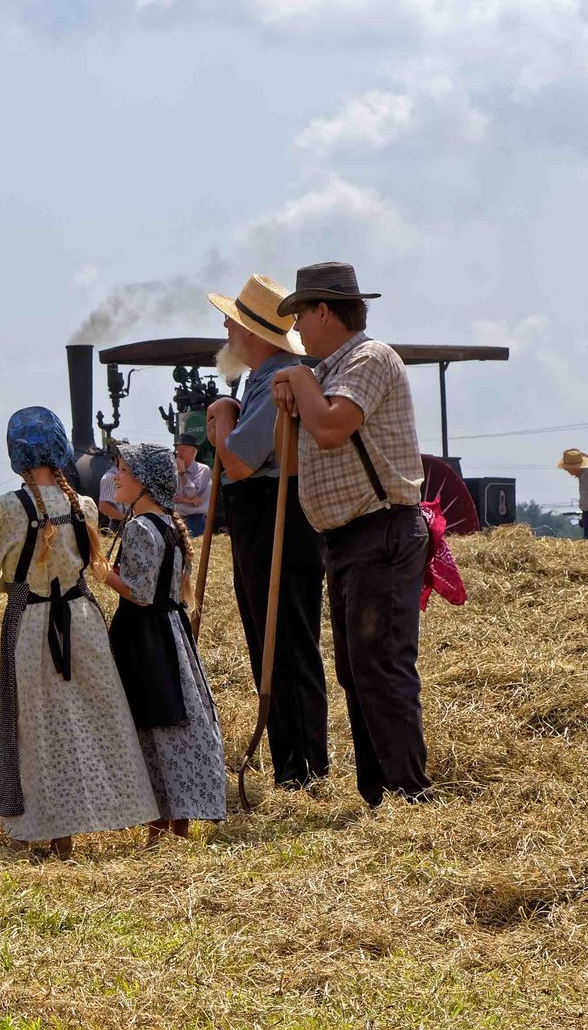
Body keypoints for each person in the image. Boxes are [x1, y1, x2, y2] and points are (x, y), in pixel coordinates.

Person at [272, 262, 431, 807]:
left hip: (380, 529)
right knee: (356, 670)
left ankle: (407, 792)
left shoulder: (369, 357)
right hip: (345, 538)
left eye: (299, 315)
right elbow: (295, 448)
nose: (296, 329)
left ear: (322, 310)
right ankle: (379, 793)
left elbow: (333, 426)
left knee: (380, 665)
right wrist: (291, 399)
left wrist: (297, 381)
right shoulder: (325, 373)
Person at [0, 407, 155, 857]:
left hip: (31, 622)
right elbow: (93, 564)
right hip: (83, 621)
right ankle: (106, 814)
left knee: (37, 725)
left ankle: (51, 829)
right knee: (96, 718)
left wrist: (12, 580)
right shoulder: (83, 504)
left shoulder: (3, 509)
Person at [203, 274, 330, 790]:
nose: (226, 328)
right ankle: (293, 764)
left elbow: (238, 463)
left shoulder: (279, 378)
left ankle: (301, 768)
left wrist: (218, 428)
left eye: (233, 321)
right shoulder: (261, 381)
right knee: (268, 638)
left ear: (254, 333)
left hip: (276, 518)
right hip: (260, 517)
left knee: (283, 640)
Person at [103, 442, 227, 842]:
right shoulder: (169, 524)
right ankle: (177, 827)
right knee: (173, 723)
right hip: (170, 633)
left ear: (144, 481)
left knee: (151, 722)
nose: (115, 477)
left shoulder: (140, 527)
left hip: (144, 637)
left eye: (122, 470)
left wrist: (101, 571)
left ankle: (158, 831)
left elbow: (138, 592)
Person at [171, 435, 211, 537]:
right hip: (176, 518)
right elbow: (169, 496)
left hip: (195, 520)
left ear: (193, 452)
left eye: (182, 450)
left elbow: (191, 493)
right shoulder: (173, 470)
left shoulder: (203, 470)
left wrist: (182, 473)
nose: (178, 453)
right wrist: (188, 501)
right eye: (177, 450)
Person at [97, 448, 125, 528]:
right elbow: (104, 506)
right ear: (116, 458)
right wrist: (125, 518)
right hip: (119, 524)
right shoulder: (110, 477)